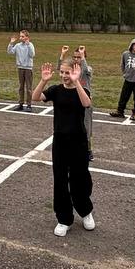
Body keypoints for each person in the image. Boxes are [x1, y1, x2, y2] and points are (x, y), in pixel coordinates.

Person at [33, 59, 95, 236]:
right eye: (62, 72)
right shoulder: (56, 90)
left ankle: (85, 211)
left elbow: (87, 103)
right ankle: (64, 218)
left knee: (80, 179)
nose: (64, 76)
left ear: (76, 73)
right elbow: (35, 97)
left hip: (79, 141)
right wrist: (43, 80)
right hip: (60, 141)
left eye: (68, 72)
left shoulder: (83, 90)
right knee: (60, 180)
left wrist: (76, 82)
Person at [111, 39, 135, 120]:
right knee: (124, 96)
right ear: (132, 45)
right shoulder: (125, 54)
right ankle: (120, 111)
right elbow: (122, 64)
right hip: (128, 79)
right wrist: (125, 73)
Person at [7, 30, 36, 111]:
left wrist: (28, 45)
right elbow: (10, 52)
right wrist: (11, 43)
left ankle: (29, 105)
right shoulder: (18, 45)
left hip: (28, 68)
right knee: (21, 87)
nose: (21, 38)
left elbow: (32, 55)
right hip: (20, 68)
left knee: (28, 87)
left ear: (27, 37)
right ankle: (21, 103)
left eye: (23, 36)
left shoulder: (30, 45)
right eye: (20, 36)